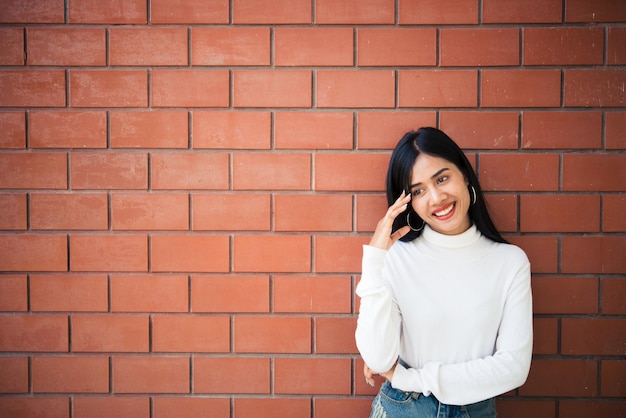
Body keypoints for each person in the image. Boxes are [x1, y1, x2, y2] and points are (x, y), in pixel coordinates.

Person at [355, 127, 532, 417]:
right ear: (408, 202)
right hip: (403, 409)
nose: (436, 197)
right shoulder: (397, 259)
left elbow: (513, 368)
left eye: (442, 178)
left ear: (464, 174)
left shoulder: (510, 263)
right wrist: (375, 259)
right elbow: (377, 357)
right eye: (419, 190)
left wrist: (410, 378)